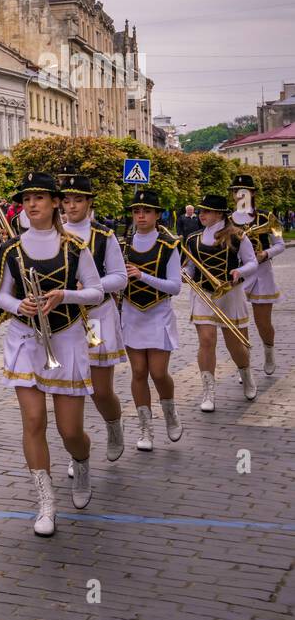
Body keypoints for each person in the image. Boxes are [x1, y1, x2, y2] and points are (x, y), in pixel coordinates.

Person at [0, 172, 103, 537]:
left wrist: (64, 295)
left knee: (70, 430)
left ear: (55, 202)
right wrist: (17, 305)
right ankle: (46, 500)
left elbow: (98, 292)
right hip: (25, 338)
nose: (32, 204)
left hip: (66, 338)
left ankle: (81, 462)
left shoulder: (73, 247)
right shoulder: (11, 248)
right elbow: (0, 296)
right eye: (27, 198)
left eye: (40, 197)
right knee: (34, 421)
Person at [59, 172, 130, 465]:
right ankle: (76, 449)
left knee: (101, 391)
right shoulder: (54, 234)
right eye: (66, 200)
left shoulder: (104, 236)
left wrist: (92, 286)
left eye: (78, 200)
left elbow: (121, 277)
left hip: (95, 317)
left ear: (89, 203)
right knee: (69, 390)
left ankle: (114, 425)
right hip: (64, 321)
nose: (72, 206)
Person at [120, 189, 183, 451]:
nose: (141, 215)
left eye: (147, 211)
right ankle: (145, 427)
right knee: (138, 372)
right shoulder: (122, 245)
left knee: (158, 373)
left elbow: (175, 287)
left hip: (158, 313)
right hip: (131, 313)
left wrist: (142, 275)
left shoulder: (169, 246)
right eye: (136, 211)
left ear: (158, 214)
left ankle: (170, 412)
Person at [182, 194, 258, 409]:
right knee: (206, 340)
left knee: (235, 345)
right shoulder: (193, 238)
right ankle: (208, 391)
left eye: (206, 211)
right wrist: (185, 272)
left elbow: (252, 262)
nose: (201, 214)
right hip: (204, 293)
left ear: (219, 214)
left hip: (230, 293)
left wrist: (239, 271)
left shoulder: (237, 236)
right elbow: (190, 265)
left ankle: (246, 374)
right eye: (200, 210)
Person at [229, 174, 283, 376]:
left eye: (244, 191)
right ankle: (246, 366)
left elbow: (279, 244)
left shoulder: (268, 217)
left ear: (252, 193)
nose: (240, 194)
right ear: (233, 195)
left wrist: (265, 254)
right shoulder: (227, 220)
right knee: (240, 324)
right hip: (239, 275)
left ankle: (269, 350)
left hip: (262, 273)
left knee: (263, 323)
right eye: (236, 191)